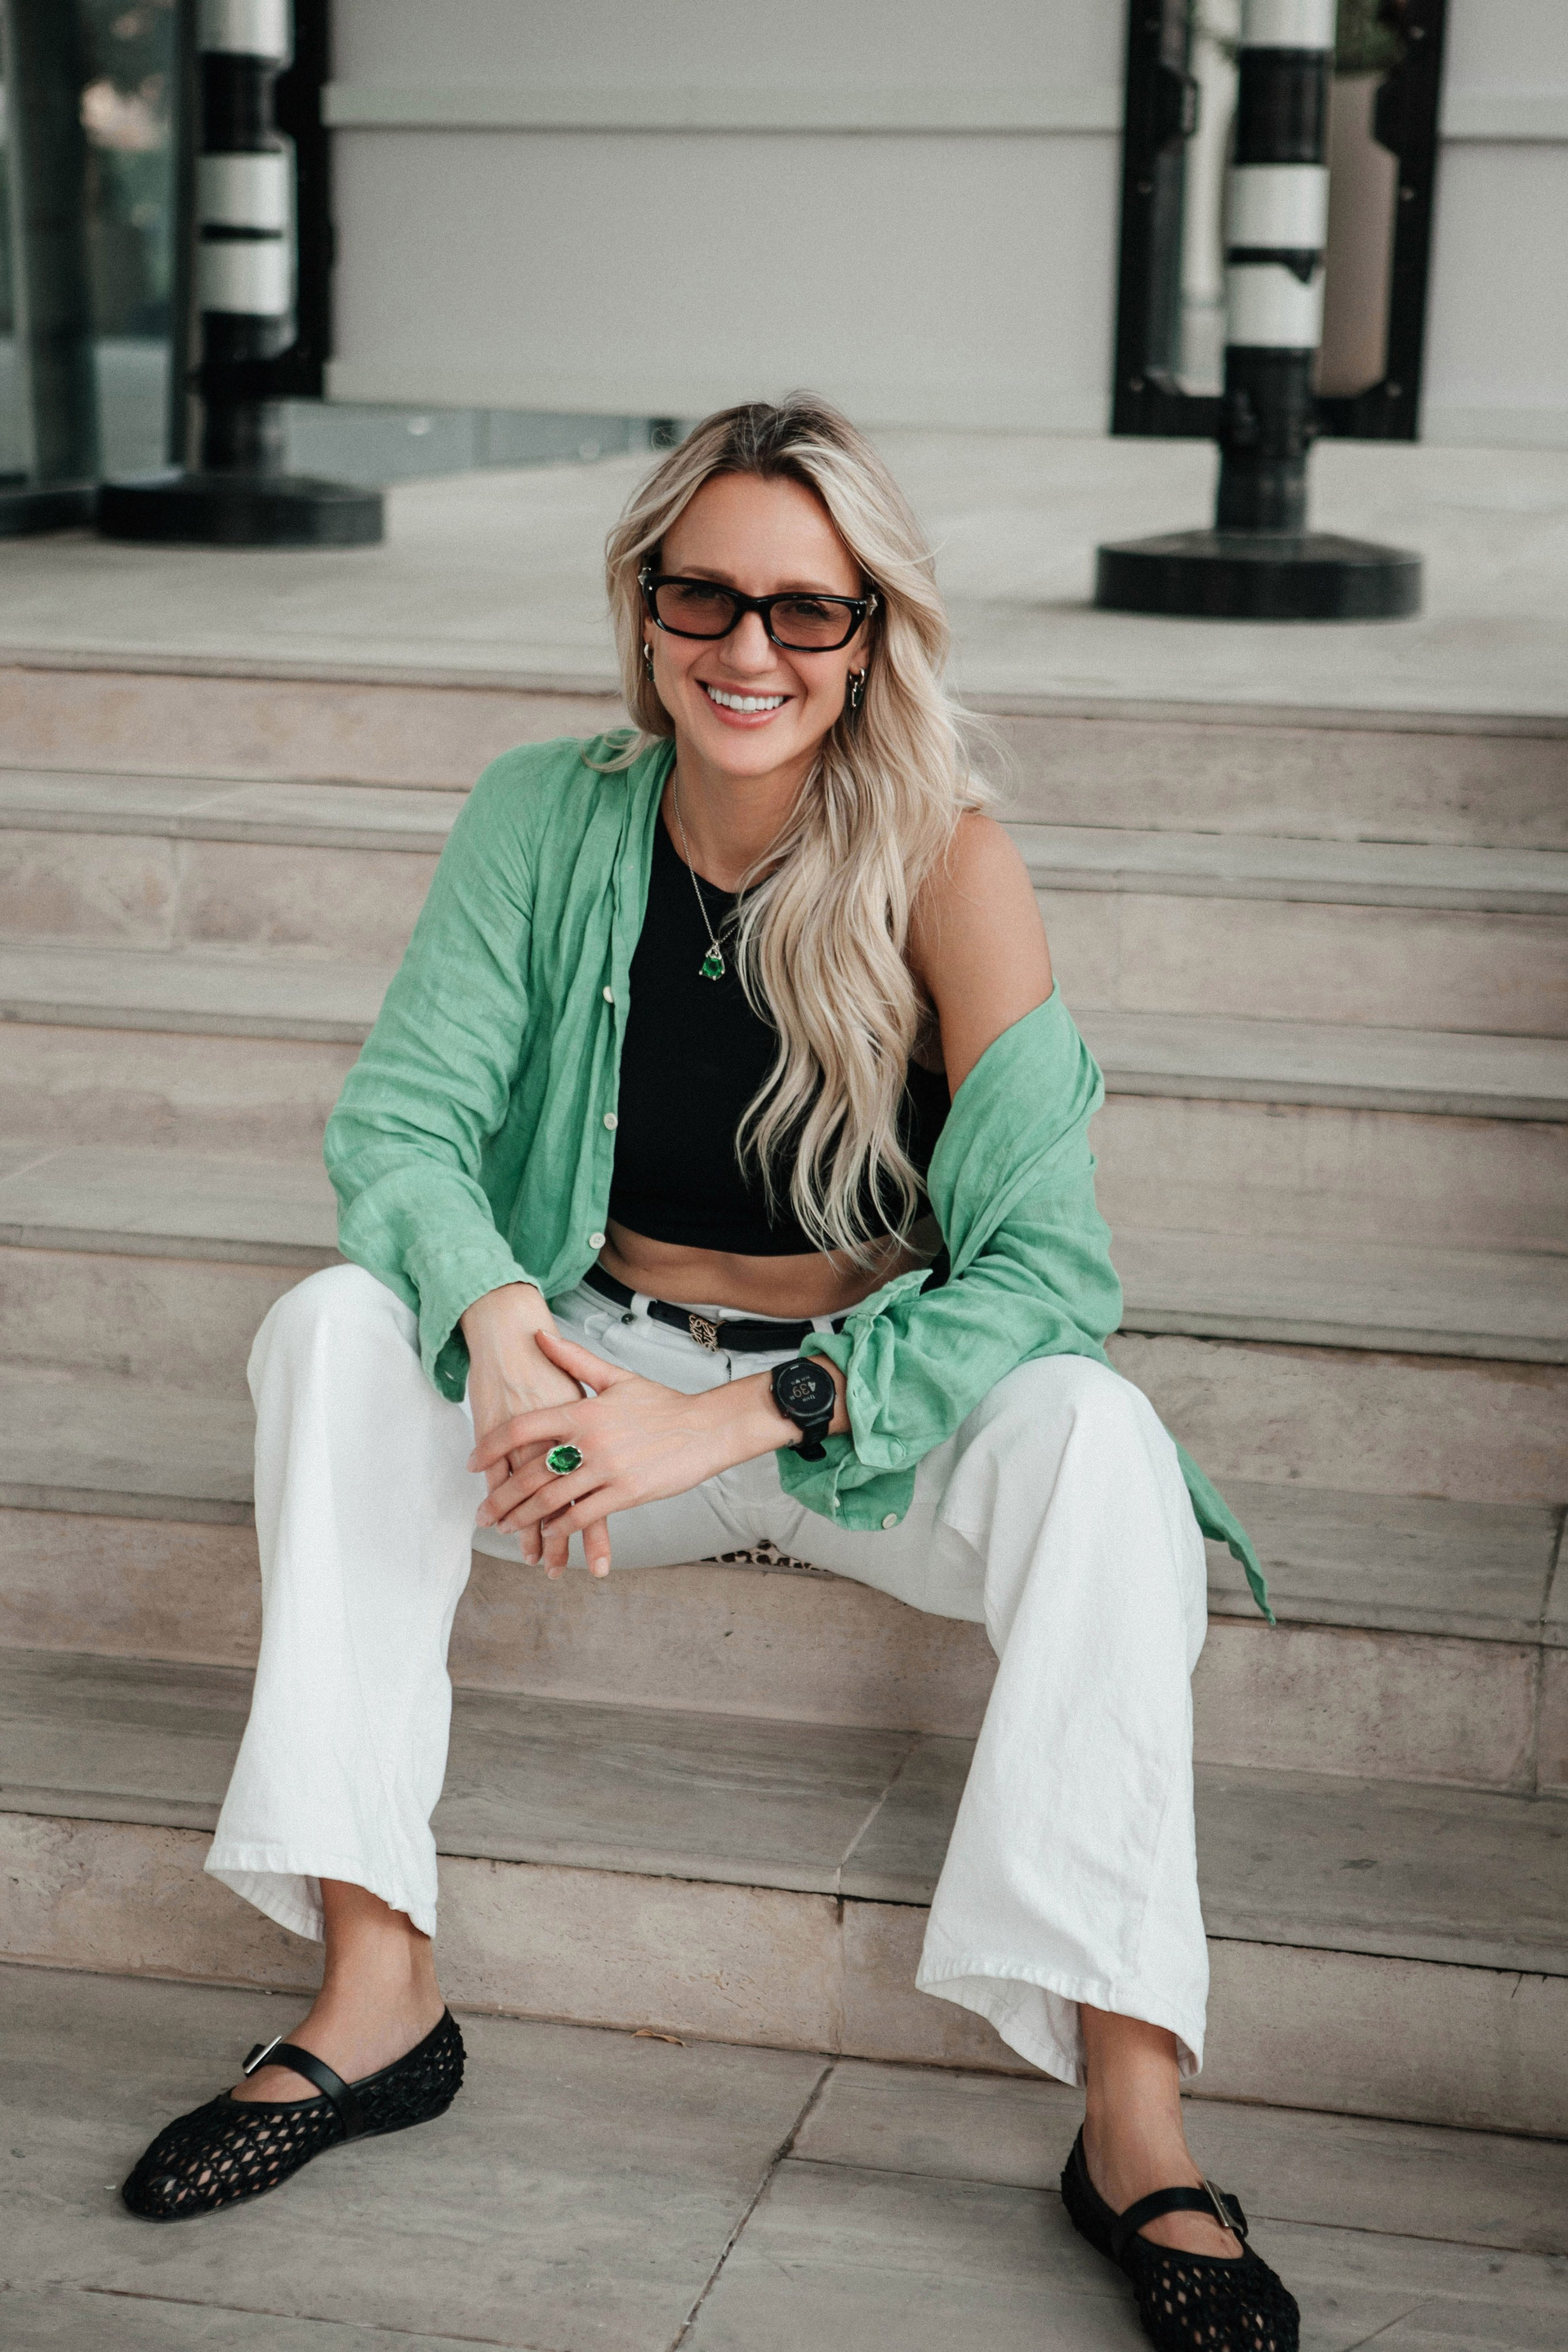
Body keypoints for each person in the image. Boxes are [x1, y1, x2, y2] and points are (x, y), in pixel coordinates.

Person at [121, 396, 1296, 2352]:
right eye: (708, 597)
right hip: (594, 1391)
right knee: (330, 1328)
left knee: (1099, 1439)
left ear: (872, 633)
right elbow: (403, 1125)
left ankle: (1132, 2115)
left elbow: (1054, 1271)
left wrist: (745, 1415)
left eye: (807, 609)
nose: (751, 649)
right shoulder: (542, 814)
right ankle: (376, 1988)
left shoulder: (949, 865)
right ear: (646, 604)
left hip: (855, 1425)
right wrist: (502, 1323)